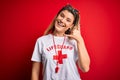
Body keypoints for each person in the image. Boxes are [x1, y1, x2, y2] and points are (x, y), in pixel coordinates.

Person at [31, 4, 90, 80]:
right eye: (61, 16)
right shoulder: (41, 41)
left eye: (68, 20)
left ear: (71, 26)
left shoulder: (75, 42)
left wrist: (80, 40)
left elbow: (85, 68)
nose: (62, 20)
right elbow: (35, 72)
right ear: (56, 17)